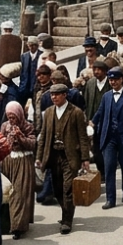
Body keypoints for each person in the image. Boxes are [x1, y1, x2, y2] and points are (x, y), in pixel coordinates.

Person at [37, 83, 92, 234]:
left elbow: (83, 137)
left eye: (57, 94)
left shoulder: (76, 112)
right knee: (57, 189)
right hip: (53, 156)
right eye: (52, 95)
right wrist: (39, 157)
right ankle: (66, 212)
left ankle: (67, 220)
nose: (53, 97)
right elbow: (43, 136)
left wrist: (85, 158)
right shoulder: (48, 112)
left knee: (68, 189)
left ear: (65, 95)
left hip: (70, 156)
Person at [90, 66, 123, 210]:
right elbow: (100, 113)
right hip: (109, 138)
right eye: (111, 80)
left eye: (115, 80)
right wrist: (92, 123)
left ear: (121, 80)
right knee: (109, 167)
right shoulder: (106, 96)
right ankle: (110, 199)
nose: (113, 83)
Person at [0, 100, 36, 239]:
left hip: (23, 161)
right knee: (8, 192)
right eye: (9, 116)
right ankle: (9, 222)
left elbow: (32, 144)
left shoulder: (27, 126)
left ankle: (18, 227)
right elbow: (0, 142)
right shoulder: (4, 126)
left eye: (13, 116)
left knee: (19, 194)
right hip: (8, 161)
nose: (11, 119)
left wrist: (21, 137)